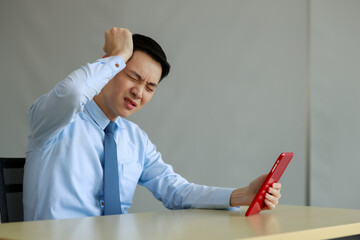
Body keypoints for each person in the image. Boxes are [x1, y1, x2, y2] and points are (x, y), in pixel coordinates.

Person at [23, 27, 282, 221]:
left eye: (149, 87)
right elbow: (72, 94)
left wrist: (242, 194)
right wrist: (118, 55)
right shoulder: (55, 121)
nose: (139, 92)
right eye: (132, 77)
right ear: (109, 67)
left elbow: (176, 191)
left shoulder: (134, 139)